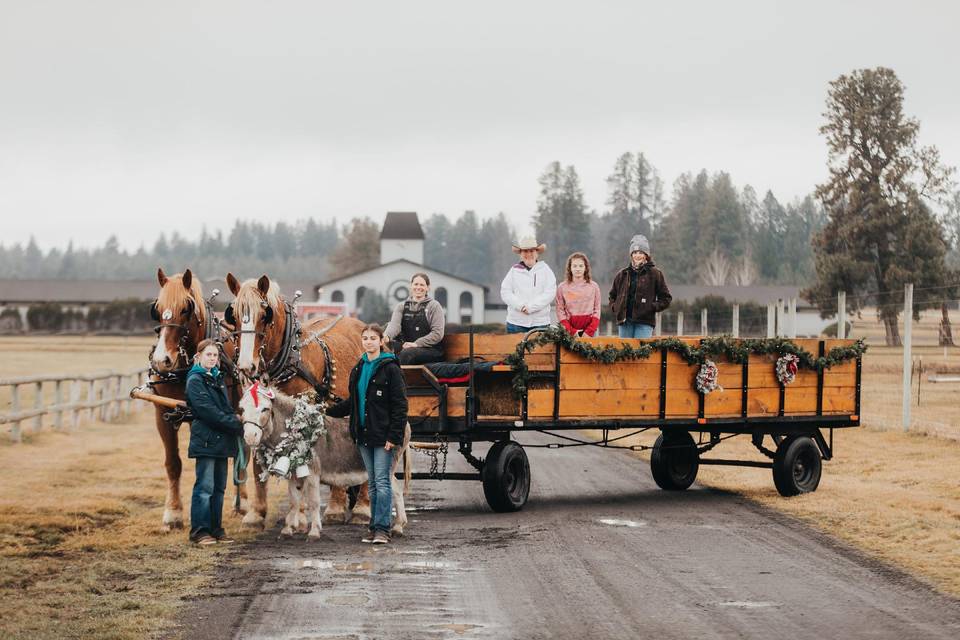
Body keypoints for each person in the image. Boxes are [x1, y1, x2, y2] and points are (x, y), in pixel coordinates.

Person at [327, 324, 408, 545]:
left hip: (384, 437)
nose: (369, 342)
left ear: (381, 341)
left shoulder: (390, 368)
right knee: (371, 482)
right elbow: (351, 403)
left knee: (382, 482)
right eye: (365, 338)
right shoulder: (359, 368)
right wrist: (325, 411)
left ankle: (383, 529)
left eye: (373, 338)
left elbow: (400, 406)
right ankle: (374, 528)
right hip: (363, 436)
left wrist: (394, 437)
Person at [185, 338, 243, 545]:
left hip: (221, 442)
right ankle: (199, 531)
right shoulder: (196, 380)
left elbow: (224, 409)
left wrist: (238, 417)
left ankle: (216, 529)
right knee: (204, 488)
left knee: (218, 489)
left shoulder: (216, 378)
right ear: (198, 357)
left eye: (215, 355)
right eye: (208, 355)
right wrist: (237, 425)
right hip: (207, 442)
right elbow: (209, 413)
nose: (212, 358)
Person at [608, 234, 672, 339]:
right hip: (624, 323)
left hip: (644, 323)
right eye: (635, 252)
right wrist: (616, 307)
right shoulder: (622, 274)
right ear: (631, 255)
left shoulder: (655, 274)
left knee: (641, 354)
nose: (637, 255)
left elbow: (666, 298)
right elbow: (612, 296)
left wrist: (651, 307)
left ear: (646, 255)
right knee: (624, 354)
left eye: (641, 252)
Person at [383, 272, 446, 365]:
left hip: (431, 350)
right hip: (408, 347)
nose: (418, 287)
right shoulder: (401, 306)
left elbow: (437, 333)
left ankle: (400, 379)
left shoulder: (434, 306)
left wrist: (416, 344)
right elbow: (395, 325)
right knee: (385, 355)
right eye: (416, 284)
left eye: (422, 285)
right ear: (411, 286)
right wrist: (386, 336)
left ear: (428, 287)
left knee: (406, 354)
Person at [500, 235, 557, 334]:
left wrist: (531, 307)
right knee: (514, 349)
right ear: (520, 254)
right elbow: (505, 292)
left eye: (532, 251)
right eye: (525, 251)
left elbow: (550, 293)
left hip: (540, 323)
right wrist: (520, 306)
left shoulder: (545, 270)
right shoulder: (513, 271)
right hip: (516, 323)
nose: (529, 254)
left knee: (541, 350)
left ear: (537, 253)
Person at [556, 252, 602, 337]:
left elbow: (597, 310)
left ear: (585, 268)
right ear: (570, 268)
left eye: (581, 266)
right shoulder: (562, 287)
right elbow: (560, 311)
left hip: (589, 333)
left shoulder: (594, 287)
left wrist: (589, 331)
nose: (578, 269)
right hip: (569, 333)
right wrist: (571, 331)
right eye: (574, 266)